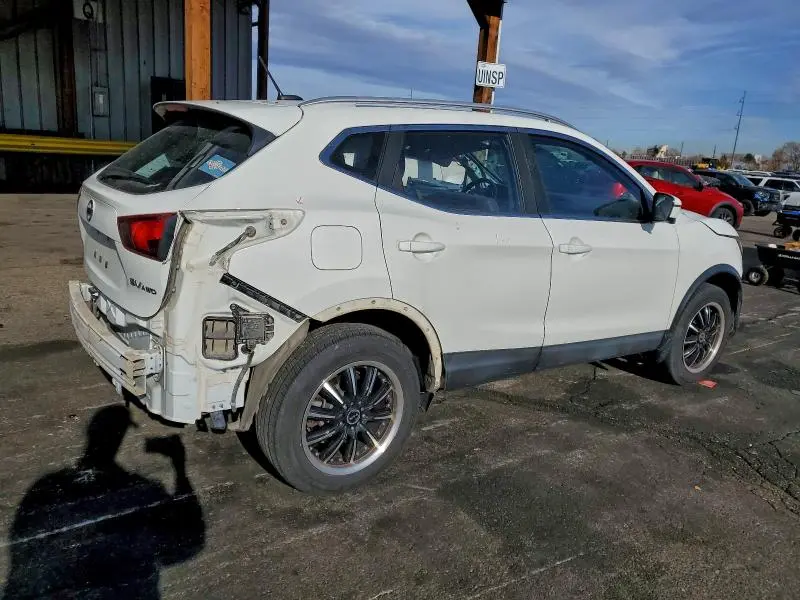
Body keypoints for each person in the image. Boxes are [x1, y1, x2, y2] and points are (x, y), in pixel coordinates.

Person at [2, 405, 205, 599]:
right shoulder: (140, 492)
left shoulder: (47, 487)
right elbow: (190, 538)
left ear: (90, 433)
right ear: (121, 440)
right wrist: (179, 465)